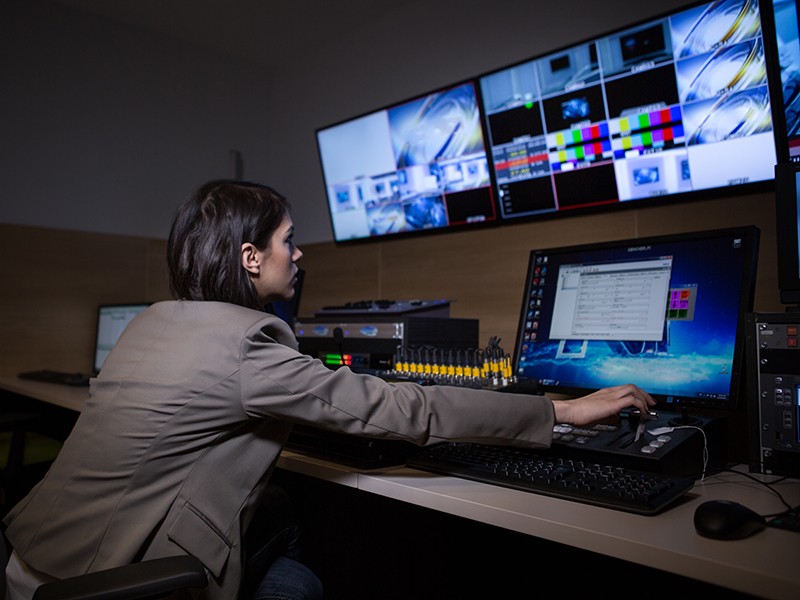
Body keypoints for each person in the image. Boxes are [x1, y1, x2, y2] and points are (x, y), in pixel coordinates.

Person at [2, 180, 656, 599]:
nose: (299, 254)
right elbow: (396, 406)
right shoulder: (244, 345)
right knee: (303, 577)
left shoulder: (152, 321)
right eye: (288, 240)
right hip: (109, 585)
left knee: (283, 515)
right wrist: (557, 409)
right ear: (251, 257)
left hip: (32, 561)